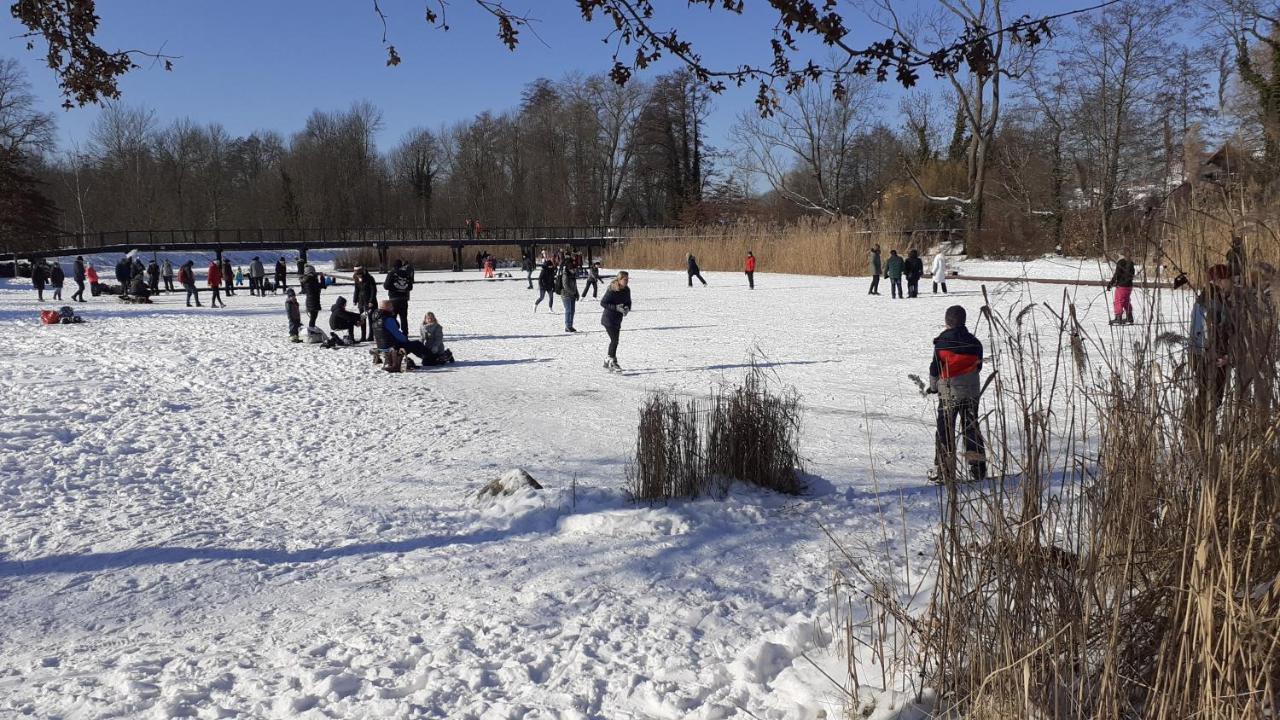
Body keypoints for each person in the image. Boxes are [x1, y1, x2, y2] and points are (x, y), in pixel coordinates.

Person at [928, 305, 987, 483]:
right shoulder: (975, 343)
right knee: (971, 428)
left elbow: (935, 369)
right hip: (971, 392)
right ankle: (977, 469)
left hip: (949, 393)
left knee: (945, 430)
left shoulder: (941, 344)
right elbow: (978, 366)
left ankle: (944, 469)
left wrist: (933, 387)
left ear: (947, 322)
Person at [1190, 264, 1236, 419]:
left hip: (1202, 354)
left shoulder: (1207, 298)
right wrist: (1221, 356)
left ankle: (1201, 431)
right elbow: (1209, 332)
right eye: (1229, 279)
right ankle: (1199, 432)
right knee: (1210, 398)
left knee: (1208, 398)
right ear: (1219, 281)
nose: (1231, 282)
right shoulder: (1214, 301)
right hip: (1211, 358)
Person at [373, 299, 434, 365]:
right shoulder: (388, 319)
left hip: (382, 346)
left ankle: (428, 357)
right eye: (391, 306)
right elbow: (397, 334)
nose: (393, 308)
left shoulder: (376, 319)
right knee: (417, 344)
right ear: (386, 307)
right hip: (393, 346)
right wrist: (405, 339)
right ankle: (431, 359)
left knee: (413, 344)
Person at [600, 271, 632, 372]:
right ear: (619, 279)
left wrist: (627, 308)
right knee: (615, 340)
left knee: (615, 341)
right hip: (608, 319)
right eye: (625, 279)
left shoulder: (627, 290)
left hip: (618, 319)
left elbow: (628, 302)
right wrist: (616, 308)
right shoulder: (612, 289)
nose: (626, 281)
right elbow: (603, 303)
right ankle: (612, 361)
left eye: (627, 279)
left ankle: (607, 359)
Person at [383, 259, 413, 334]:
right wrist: (402, 289)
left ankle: (393, 334)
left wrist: (395, 288)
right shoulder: (406, 274)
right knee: (403, 318)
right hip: (403, 299)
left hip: (393, 299)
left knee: (392, 318)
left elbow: (386, 286)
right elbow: (410, 287)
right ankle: (405, 334)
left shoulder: (391, 273)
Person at [1106, 252, 1136, 325]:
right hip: (1129, 286)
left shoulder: (1121, 262)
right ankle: (1129, 317)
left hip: (1121, 286)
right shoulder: (1131, 263)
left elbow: (1117, 274)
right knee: (1126, 301)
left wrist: (1111, 283)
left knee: (1118, 301)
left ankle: (1118, 317)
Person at [560, 259, 580, 332]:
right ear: (569, 268)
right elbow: (565, 286)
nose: (575, 270)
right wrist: (573, 292)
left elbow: (575, 285)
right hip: (565, 295)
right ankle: (567, 326)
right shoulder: (565, 275)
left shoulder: (573, 274)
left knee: (572, 311)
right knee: (568, 310)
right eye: (573, 269)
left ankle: (570, 326)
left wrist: (577, 293)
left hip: (572, 295)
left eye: (575, 269)